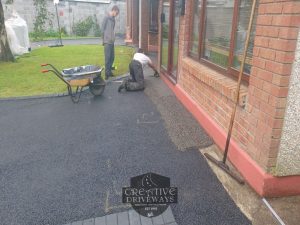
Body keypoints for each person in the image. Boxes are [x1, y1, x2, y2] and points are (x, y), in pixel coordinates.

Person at [102, 5, 119, 80]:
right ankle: (106, 74)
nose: (117, 15)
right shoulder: (106, 17)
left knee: (112, 57)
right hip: (107, 41)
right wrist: (103, 40)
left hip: (112, 42)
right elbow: (102, 29)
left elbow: (112, 29)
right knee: (107, 58)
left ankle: (109, 71)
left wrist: (113, 38)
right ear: (114, 10)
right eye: (116, 13)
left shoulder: (113, 19)